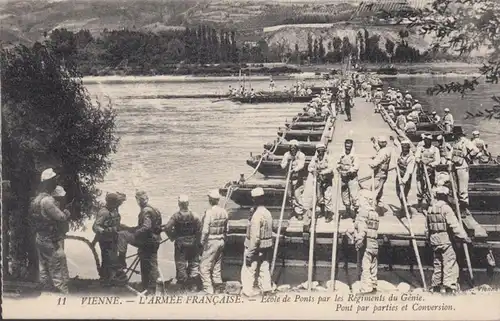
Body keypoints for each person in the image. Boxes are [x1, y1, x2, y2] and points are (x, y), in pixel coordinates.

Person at [31, 168, 71, 293]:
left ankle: (46, 294)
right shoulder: (47, 201)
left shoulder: (37, 199)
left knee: (44, 268)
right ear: (48, 183)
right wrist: (66, 212)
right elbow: (61, 217)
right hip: (50, 239)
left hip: (40, 237)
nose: (56, 182)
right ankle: (63, 296)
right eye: (54, 180)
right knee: (57, 268)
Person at [426, 186, 471, 293]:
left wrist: (428, 239)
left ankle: (435, 286)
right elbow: (454, 225)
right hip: (445, 239)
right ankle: (448, 286)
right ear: (445, 196)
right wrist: (464, 237)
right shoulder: (446, 208)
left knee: (437, 263)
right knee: (449, 262)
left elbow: (427, 227)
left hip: (434, 239)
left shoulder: (430, 208)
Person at [116, 191, 163, 294]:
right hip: (155, 241)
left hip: (147, 241)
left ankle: (121, 261)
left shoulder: (145, 211)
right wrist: (130, 228)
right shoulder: (155, 210)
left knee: (122, 235)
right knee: (150, 263)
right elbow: (154, 227)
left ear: (138, 200)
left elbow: (146, 227)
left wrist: (135, 233)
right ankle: (149, 288)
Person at [241, 187, 274, 297]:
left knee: (249, 269)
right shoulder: (268, 213)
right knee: (264, 268)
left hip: (255, 247)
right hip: (266, 246)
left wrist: (250, 253)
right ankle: (267, 289)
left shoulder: (256, 216)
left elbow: (255, 238)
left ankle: (247, 292)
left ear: (254, 200)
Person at [164, 194, 202, 291]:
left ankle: (183, 285)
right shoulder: (195, 215)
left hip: (180, 244)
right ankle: (193, 285)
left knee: (181, 264)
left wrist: (173, 236)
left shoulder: (176, 216)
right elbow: (199, 229)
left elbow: (167, 228)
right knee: (193, 263)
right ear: (188, 204)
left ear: (179, 204)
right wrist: (197, 241)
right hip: (193, 243)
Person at [199, 190, 229, 294]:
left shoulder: (209, 212)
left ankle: (208, 290)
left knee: (204, 267)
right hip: (221, 240)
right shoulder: (224, 211)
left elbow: (205, 230)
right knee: (217, 266)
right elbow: (227, 229)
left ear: (210, 200)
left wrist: (201, 243)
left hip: (211, 241)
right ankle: (218, 287)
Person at [354, 189, 379, 294]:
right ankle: (373, 285)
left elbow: (363, 229)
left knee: (365, 267)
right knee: (373, 266)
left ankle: (366, 289)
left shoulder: (363, 212)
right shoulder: (374, 213)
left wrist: (358, 242)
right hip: (374, 244)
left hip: (367, 244)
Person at [451, 132, 479, 215]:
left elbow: (476, 150)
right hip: (455, 166)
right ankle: (458, 206)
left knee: (463, 189)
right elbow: (452, 153)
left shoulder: (466, 142)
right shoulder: (455, 142)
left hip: (463, 167)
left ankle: (463, 208)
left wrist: (469, 157)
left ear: (459, 135)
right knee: (456, 188)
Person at [308, 143, 334, 222]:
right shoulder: (315, 158)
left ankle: (329, 214)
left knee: (328, 197)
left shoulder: (328, 158)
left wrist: (322, 172)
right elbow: (309, 167)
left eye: (321, 151)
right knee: (319, 196)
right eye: (318, 151)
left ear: (324, 151)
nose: (320, 152)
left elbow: (331, 168)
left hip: (327, 180)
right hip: (319, 180)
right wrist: (314, 170)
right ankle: (322, 212)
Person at [415, 134, 441, 208]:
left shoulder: (435, 149)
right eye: (425, 140)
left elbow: (437, 160)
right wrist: (420, 161)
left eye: (429, 140)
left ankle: (429, 202)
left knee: (430, 186)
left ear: (431, 141)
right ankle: (420, 204)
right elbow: (416, 157)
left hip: (430, 171)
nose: (427, 142)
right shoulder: (420, 148)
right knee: (420, 187)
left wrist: (431, 165)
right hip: (421, 170)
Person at [336, 139, 360, 219]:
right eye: (346, 147)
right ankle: (347, 211)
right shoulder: (341, 154)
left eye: (349, 147)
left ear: (351, 146)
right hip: (343, 177)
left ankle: (356, 214)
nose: (347, 149)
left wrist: (348, 172)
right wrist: (339, 170)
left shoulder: (354, 156)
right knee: (344, 194)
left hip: (351, 177)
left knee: (354, 195)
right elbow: (337, 164)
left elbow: (356, 167)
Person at [392, 138, 416, 215]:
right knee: (398, 192)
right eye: (403, 147)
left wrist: (404, 181)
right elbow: (397, 144)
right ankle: (403, 207)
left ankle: (407, 210)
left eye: (406, 148)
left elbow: (409, 171)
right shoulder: (400, 152)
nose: (404, 150)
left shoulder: (411, 158)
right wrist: (394, 140)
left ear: (408, 148)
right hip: (399, 175)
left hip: (407, 177)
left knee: (404, 194)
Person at [369, 136, 392, 208]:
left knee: (375, 189)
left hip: (380, 173)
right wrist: (374, 142)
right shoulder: (385, 149)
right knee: (380, 189)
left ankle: (372, 206)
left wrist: (371, 162)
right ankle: (380, 204)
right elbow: (378, 149)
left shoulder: (383, 152)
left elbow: (376, 162)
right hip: (383, 173)